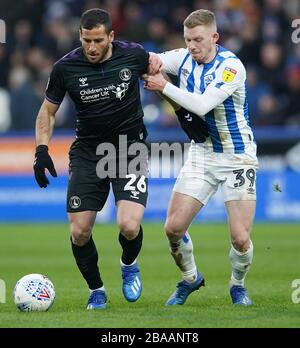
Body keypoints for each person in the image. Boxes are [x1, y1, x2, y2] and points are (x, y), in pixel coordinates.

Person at [33, 8, 161, 310]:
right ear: (80, 35)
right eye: (87, 40)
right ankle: (97, 290)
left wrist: (177, 102)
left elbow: (160, 72)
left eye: (98, 40)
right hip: (88, 152)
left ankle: (128, 264)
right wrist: (41, 150)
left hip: (129, 148)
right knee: (79, 231)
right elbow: (47, 111)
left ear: (111, 37)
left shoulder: (134, 55)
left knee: (129, 226)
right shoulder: (66, 67)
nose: (92, 47)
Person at [144, 9, 258, 306]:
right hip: (203, 154)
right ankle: (190, 278)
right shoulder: (183, 57)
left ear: (214, 37)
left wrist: (164, 85)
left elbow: (204, 105)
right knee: (172, 228)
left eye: (198, 39)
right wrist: (121, 53)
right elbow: (149, 58)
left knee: (240, 238)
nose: (192, 45)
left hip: (238, 156)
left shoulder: (231, 67)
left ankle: (237, 284)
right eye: (188, 39)